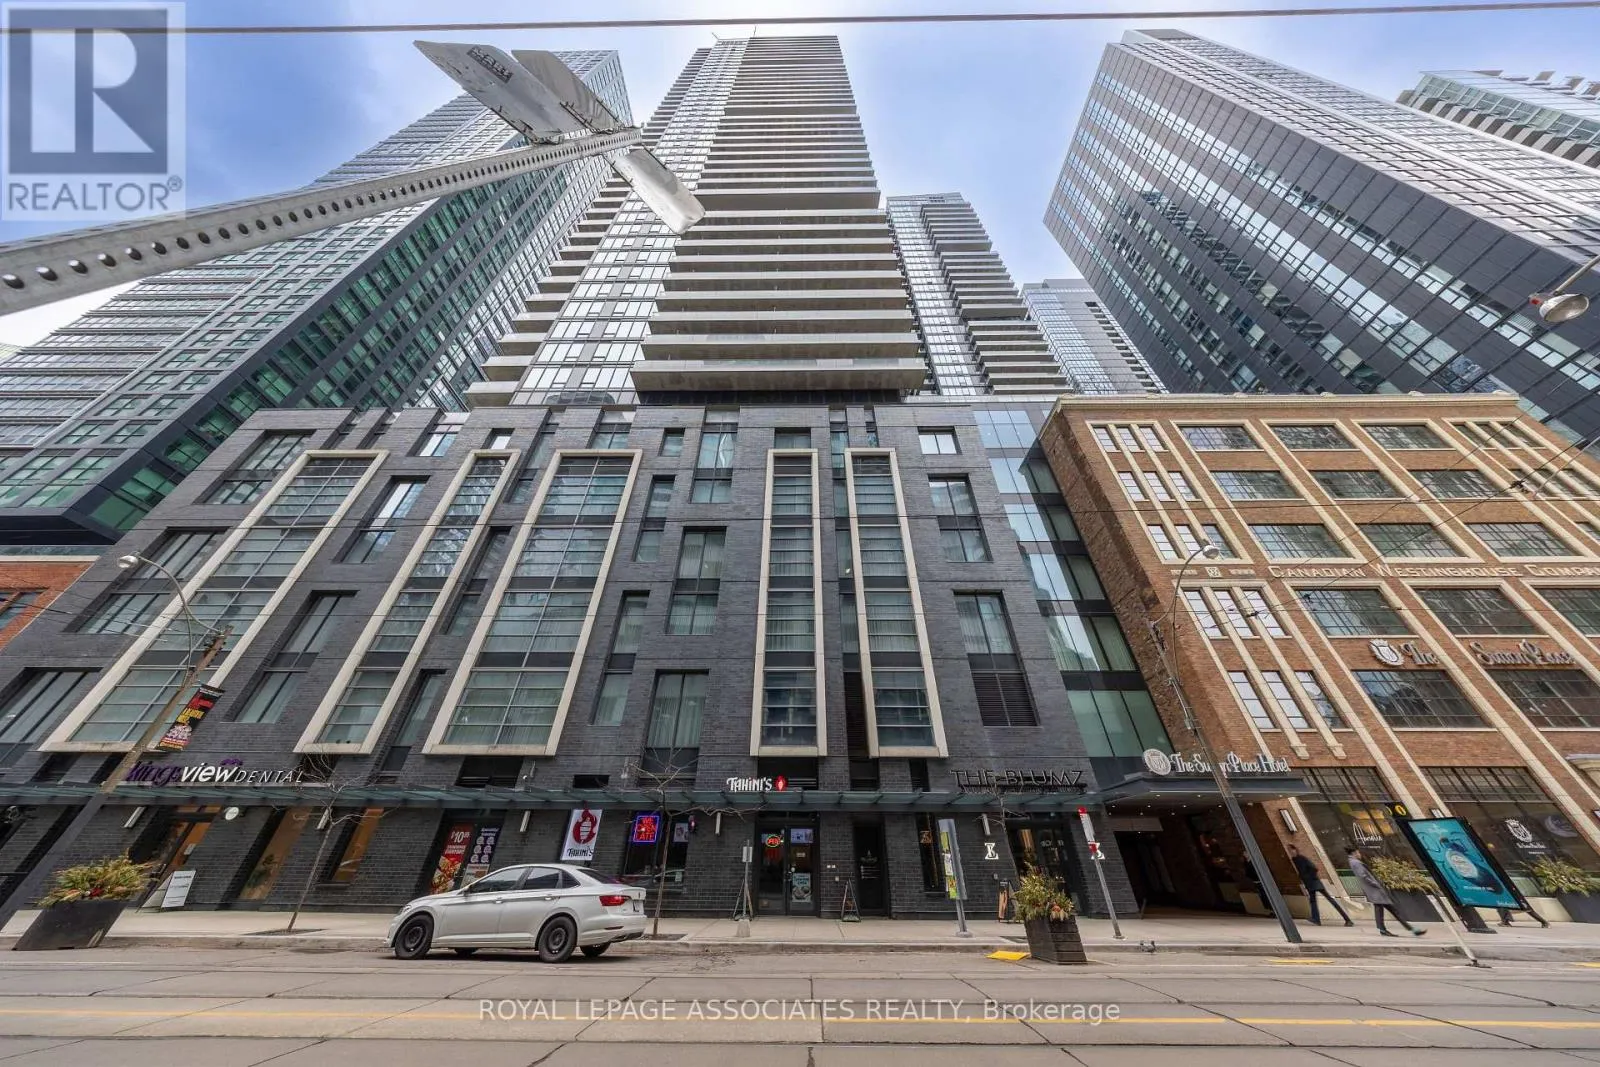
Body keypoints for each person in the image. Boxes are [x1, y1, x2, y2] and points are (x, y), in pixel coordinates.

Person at [1347, 847, 1424, 937]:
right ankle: (1408, 929)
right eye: (1358, 852)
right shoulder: (1356, 863)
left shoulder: (1353, 862)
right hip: (1374, 890)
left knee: (1385, 910)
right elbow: (1363, 876)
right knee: (1390, 910)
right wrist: (1376, 883)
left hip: (1374, 891)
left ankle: (1402, 929)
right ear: (1354, 853)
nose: (1360, 854)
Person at [1289, 844, 1352, 927]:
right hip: (1310, 883)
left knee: (1329, 900)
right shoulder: (1295, 859)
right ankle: (1316, 919)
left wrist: (1308, 877)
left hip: (1314, 882)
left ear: (1295, 850)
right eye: (1289, 851)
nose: (1290, 852)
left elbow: (1314, 868)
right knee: (1313, 901)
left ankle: (1347, 919)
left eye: (1291, 850)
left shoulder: (1301, 858)